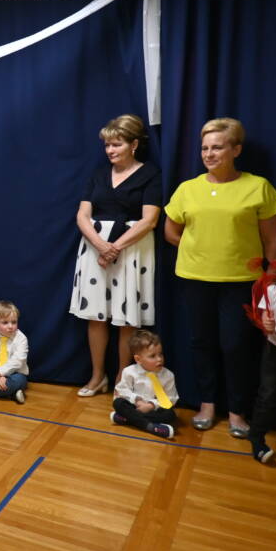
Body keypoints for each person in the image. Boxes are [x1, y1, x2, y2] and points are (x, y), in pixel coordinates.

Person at [164, 117, 276, 437]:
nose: (209, 154)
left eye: (217, 147)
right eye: (205, 148)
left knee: (236, 346)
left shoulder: (258, 187)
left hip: (241, 282)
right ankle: (206, 405)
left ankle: (237, 411)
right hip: (195, 279)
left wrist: (271, 280)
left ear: (236, 150)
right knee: (201, 342)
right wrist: (200, 250)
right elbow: (171, 232)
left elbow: (272, 242)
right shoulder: (187, 189)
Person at [70, 114, 162, 397]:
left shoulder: (150, 174)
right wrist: (101, 245)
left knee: (127, 317)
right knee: (96, 316)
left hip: (132, 251)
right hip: (95, 249)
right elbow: (83, 215)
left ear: (134, 145)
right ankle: (98, 376)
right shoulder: (98, 174)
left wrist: (115, 248)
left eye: (117, 144)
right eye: (107, 145)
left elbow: (150, 220)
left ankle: (123, 377)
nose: (110, 150)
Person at [247, 240, 276, 463]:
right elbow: (265, 319)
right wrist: (267, 325)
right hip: (275, 353)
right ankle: (256, 438)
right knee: (268, 397)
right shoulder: (274, 290)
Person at [110, 330, 178, 440]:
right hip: (135, 406)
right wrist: (137, 400)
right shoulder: (129, 372)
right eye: (152, 356)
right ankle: (150, 427)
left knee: (170, 415)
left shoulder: (168, 375)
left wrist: (151, 405)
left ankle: (127, 419)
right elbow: (121, 390)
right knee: (118, 403)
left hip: (154, 409)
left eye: (160, 354)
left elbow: (171, 398)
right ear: (138, 359)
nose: (159, 359)